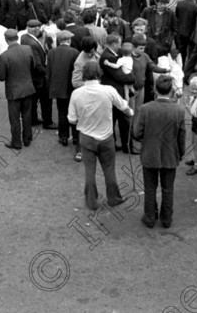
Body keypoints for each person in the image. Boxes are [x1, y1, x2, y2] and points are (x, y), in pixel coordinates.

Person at [68, 61, 134, 210]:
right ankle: (114, 198)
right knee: (109, 169)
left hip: (86, 138)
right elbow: (123, 106)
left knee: (89, 171)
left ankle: (91, 202)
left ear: (84, 74)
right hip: (106, 137)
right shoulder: (108, 90)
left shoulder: (76, 93)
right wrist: (131, 112)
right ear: (99, 73)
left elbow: (71, 119)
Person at [132, 75, 185, 228]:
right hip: (170, 155)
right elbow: (182, 136)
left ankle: (150, 217)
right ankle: (166, 219)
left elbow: (136, 133)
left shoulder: (145, 109)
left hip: (150, 154)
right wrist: (180, 153)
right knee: (168, 189)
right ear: (171, 91)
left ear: (155, 89)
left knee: (149, 188)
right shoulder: (179, 111)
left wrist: (146, 141)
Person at [0, 29, 36, 149]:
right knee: (27, 115)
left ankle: (16, 142)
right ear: (17, 38)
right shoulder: (28, 49)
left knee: (14, 119)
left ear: (6, 40)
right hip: (28, 88)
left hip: (13, 92)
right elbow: (33, 66)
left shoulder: (4, 56)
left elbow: (2, 77)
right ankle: (27, 139)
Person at [99, 34, 137, 153]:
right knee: (122, 120)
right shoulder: (108, 57)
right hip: (115, 93)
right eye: (119, 43)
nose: (120, 46)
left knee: (115, 119)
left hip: (114, 92)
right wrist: (132, 78)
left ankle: (117, 144)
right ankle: (125, 146)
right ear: (114, 44)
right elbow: (119, 76)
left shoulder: (111, 55)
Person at [47, 30, 80, 160]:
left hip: (58, 88)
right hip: (71, 88)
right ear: (69, 40)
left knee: (62, 112)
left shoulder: (51, 53)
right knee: (74, 113)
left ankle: (63, 137)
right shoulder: (75, 52)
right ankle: (76, 137)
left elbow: (48, 72)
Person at [21, 19, 53, 128]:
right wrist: (47, 73)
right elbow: (38, 64)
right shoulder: (33, 44)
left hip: (30, 77)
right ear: (35, 30)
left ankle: (33, 119)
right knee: (46, 101)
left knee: (33, 100)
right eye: (39, 28)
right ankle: (47, 122)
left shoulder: (25, 37)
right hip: (39, 78)